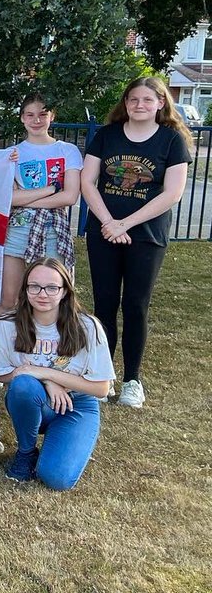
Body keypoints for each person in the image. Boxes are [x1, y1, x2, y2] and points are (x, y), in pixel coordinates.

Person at [79, 76, 192, 408]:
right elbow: (88, 181)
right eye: (133, 99)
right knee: (104, 304)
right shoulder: (106, 136)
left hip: (146, 236)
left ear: (160, 103)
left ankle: (132, 380)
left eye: (147, 99)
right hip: (104, 233)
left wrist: (124, 224)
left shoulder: (172, 141)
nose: (139, 105)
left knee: (136, 306)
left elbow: (173, 193)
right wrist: (108, 223)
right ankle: (103, 376)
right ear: (125, 103)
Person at [0, 259, 113, 490]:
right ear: (25, 289)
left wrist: (43, 372)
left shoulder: (87, 326)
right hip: (33, 399)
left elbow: (101, 388)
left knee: (57, 479)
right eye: (34, 286)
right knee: (24, 385)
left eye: (52, 287)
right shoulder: (8, 324)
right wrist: (47, 381)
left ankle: (59, 446)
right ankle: (26, 452)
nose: (42, 294)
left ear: (65, 290)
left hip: (76, 405)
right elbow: (1, 375)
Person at [0, 94, 82, 315]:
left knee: (52, 296)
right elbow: (6, 198)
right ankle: (1, 348)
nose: (36, 120)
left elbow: (70, 196)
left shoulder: (67, 150)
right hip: (17, 230)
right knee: (9, 298)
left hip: (54, 230)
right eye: (30, 115)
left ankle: (47, 345)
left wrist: (27, 198)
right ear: (22, 119)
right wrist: (51, 189)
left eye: (43, 114)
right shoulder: (13, 154)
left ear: (52, 117)